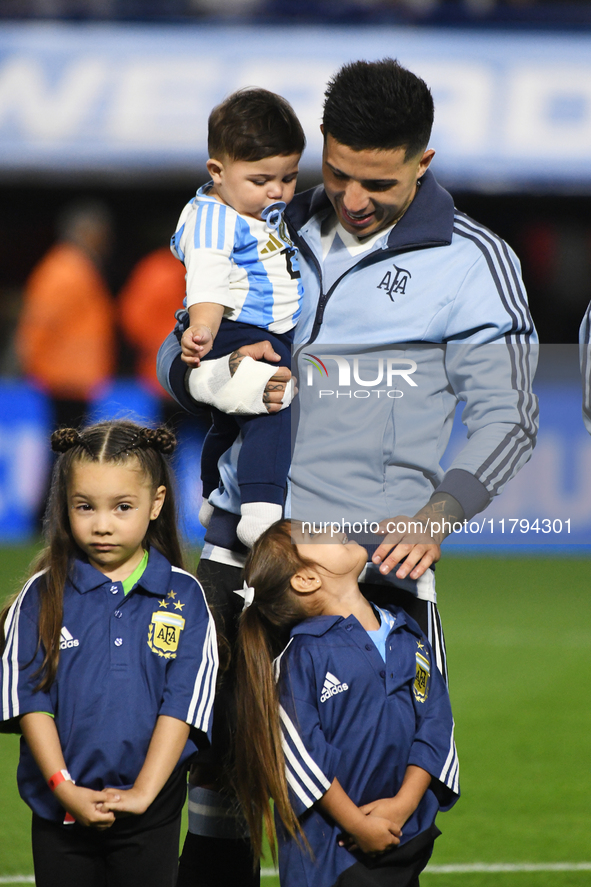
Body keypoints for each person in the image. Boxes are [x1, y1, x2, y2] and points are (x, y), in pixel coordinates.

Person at [158, 59, 536, 881]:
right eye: (336, 173)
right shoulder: (264, 218)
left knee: (374, 818)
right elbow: (172, 356)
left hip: (374, 572)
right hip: (242, 559)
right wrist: (224, 376)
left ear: (422, 163)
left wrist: (437, 514)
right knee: (215, 808)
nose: (351, 198)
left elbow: (509, 417)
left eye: (377, 182)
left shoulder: (472, 262)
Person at [0, 420, 218, 887]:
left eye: (122, 507)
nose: (102, 524)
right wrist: (65, 789)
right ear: (65, 505)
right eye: (85, 507)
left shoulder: (185, 597)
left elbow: (183, 704)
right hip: (60, 808)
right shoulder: (41, 596)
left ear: (156, 502)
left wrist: (143, 792)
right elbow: (29, 701)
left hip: (151, 812)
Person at [234, 520, 459, 887]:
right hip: (331, 856)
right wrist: (358, 825)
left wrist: (403, 805)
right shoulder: (302, 657)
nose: (331, 528)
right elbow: (300, 758)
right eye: (313, 535)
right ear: (305, 579)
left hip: (401, 839)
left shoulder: (409, 635)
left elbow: (436, 724)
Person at [172, 87, 305, 547]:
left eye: (289, 177)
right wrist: (204, 329)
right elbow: (208, 280)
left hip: (262, 328)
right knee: (274, 401)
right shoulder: (214, 218)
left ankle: (211, 496)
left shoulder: (257, 212)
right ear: (217, 171)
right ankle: (262, 512)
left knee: (229, 424)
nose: (277, 190)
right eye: (262, 179)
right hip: (237, 329)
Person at [16, 200, 115, 429]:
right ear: (85, 233)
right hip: (64, 375)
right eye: (101, 234)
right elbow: (40, 321)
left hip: (73, 374)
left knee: (68, 442)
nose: (105, 241)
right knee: (66, 443)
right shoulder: (64, 269)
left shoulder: (75, 266)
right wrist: (31, 361)